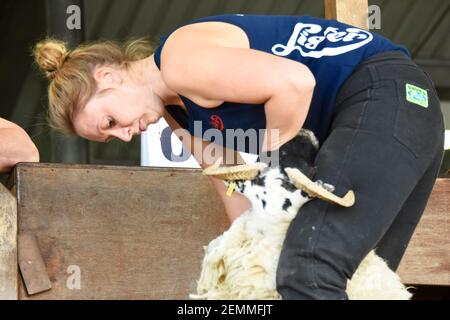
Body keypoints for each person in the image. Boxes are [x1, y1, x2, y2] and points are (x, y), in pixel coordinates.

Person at [33, 14, 445, 299]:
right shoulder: (178, 114)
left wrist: (281, 158)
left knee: (311, 266)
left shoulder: (178, 61)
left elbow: (294, 83)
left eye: (110, 121)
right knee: (360, 284)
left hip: (384, 95)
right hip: (401, 116)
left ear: (108, 77)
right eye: (112, 138)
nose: (124, 134)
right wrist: (243, 256)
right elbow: (233, 188)